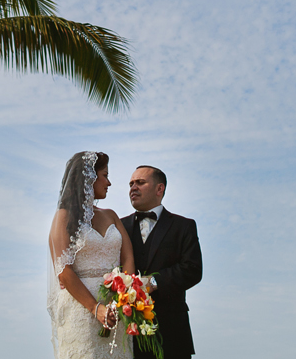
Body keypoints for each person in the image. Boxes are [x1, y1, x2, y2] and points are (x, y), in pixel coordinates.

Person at [49, 151, 136, 358]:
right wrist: (96, 308)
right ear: (90, 176)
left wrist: (121, 298)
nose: (109, 182)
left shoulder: (111, 215)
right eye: (105, 175)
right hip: (81, 309)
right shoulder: (64, 217)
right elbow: (63, 270)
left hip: (116, 310)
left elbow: (128, 257)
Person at [122, 165, 202, 357]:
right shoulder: (118, 226)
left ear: (160, 189)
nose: (133, 187)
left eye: (140, 182)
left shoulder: (184, 226)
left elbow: (192, 269)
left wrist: (153, 282)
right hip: (127, 336)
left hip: (172, 333)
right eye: (131, 183)